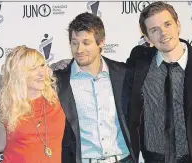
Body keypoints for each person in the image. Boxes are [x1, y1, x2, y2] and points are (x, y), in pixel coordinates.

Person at [127, 1, 192, 163]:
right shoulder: (139, 63)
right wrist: (69, 66)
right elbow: (111, 71)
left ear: (178, 25)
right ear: (147, 38)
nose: (163, 33)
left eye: (167, 24)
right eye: (154, 30)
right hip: (152, 159)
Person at [54, 12, 136, 163]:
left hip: (124, 159)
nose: (79, 50)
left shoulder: (124, 74)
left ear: (101, 42)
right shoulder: (58, 81)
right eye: (74, 43)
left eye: (86, 42)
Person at [0, 45, 65, 162]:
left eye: (42, 65)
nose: (41, 73)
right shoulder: (7, 105)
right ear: (19, 74)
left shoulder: (58, 101)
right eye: (33, 68)